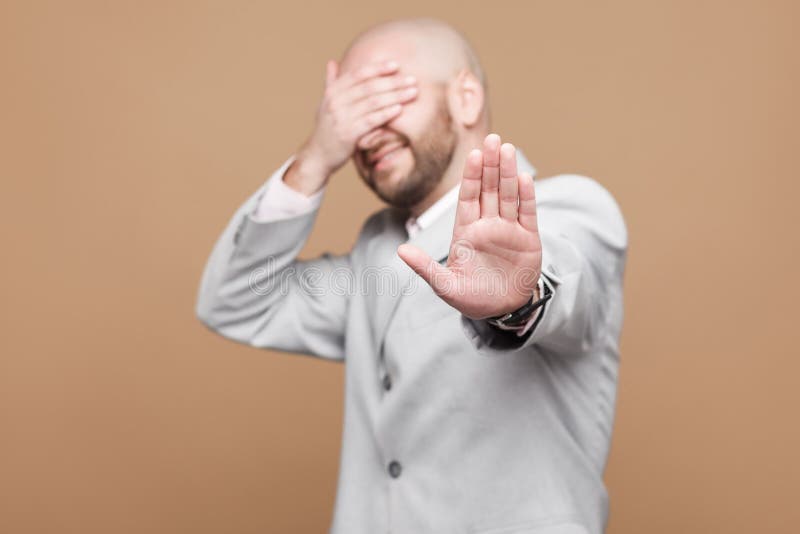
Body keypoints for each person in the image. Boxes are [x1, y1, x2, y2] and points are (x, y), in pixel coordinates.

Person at [195, 16, 627, 534]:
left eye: (384, 95)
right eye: (348, 112)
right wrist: (314, 157)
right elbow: (234, 299)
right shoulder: (377, 254)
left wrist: (517, 300)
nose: (365, 131)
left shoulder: (572, 209)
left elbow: (569, 288)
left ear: (465, 98)